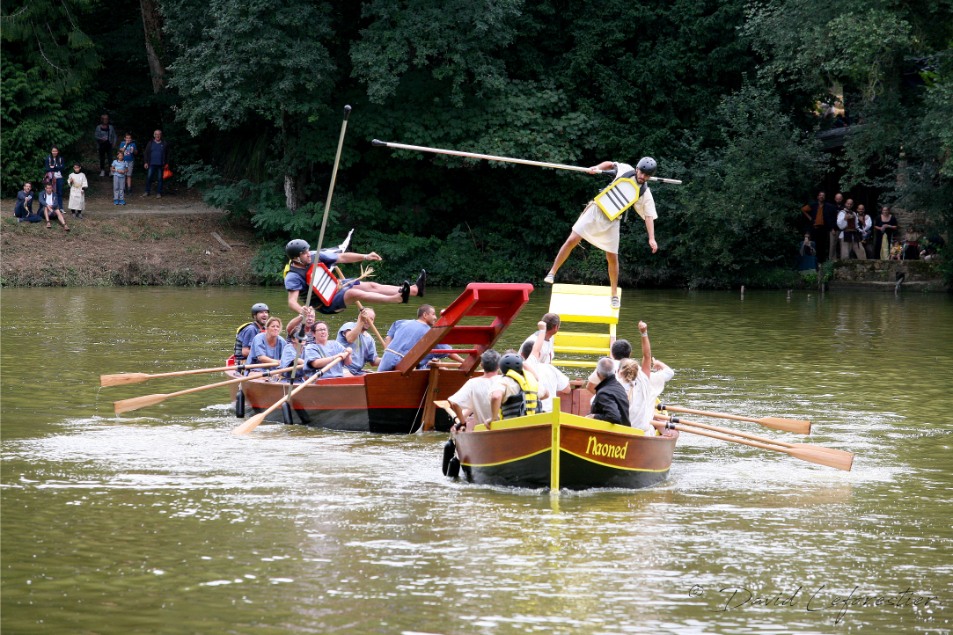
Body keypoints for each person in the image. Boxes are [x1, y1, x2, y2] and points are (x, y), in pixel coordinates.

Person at [545, 157, 660, 308]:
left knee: (612, 257)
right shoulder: (626, 169)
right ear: (637, 169)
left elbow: (649, 216)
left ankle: (613, 295)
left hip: (613, 220)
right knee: (572, 239)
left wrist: (652, 238)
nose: (642, 177)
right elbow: (610, 164)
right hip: (597, 209)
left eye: (647, 175)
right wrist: (596, 166)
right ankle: (552, 272)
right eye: (642, 172)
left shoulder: (645, 192)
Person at [284, 239, 425, 317]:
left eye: (308, 250)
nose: (309, 254)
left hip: (336, 287)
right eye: (304, 253)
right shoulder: (294, 276)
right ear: (296, 258)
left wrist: (365, 256)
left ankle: (414, 290)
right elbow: (292, 302)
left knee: (370, 285)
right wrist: (301, 310)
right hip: (326, 305)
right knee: (353, 293)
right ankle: (397, 298)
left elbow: (342, 257)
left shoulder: (314, 256)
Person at [616, 321, 673, 435]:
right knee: (670, 430)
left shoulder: (613, 381)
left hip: (621, 431)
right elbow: (647, 356)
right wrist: (644, 333)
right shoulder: (645, 378)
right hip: (643, 432)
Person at [519, 323, 569, 413]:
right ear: (540, 354)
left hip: (532, 414)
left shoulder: (518, 371)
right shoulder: (549, 368)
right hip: (550, 412)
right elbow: (567, 389)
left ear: (522, 355)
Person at [448, 349, 502, 429]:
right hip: (504, 426)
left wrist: (463, 423)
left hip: (482, 430)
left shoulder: (472, 383)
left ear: (481, 365)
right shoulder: (505, 380)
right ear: (499, 365)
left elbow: (454, 403)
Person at [378, 304, 438, 372]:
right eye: (433, 314)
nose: (435, 317)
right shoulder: (429, 331)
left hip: (388, 357)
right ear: (425, 315)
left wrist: (387, 351)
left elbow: (388, 337)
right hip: (403, 362)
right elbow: (445, 350)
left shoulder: (401, 322)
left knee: (378, 380)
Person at [488, 352, 539, 422]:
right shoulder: (531, 382)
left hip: (512, 426)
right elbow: (546, 394)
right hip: (534, 423)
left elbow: (496, 396)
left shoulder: (503, 381)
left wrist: (493, 418)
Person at [336, 308, 381, 375]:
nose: (368, 321)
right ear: (360, 317)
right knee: (350, 377)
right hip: (341, 367)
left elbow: (373, 361)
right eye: (367, 318)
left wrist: (389, 358)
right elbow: (350, 339)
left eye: (371, 319)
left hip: (357, 371)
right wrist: (361, 321)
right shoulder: (349, 325)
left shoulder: (370, 339)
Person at [586, 356, 630, 425]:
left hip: (614, 434)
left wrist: (594, 416)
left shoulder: (604, 393)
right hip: (626, 431)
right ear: (615, 371)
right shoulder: (620, 388)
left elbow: (614, 417)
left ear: (597, 374)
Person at [803, 191, 837, 264]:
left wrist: (832, 227)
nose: (821, 197)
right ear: (818, 197)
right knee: (815, 244)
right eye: (820, 195)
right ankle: (814, 262)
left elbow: (832, 215)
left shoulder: (828, 206)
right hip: (815, 228)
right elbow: (803, 209)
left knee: (823, 245)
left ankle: (822, 262)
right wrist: (810, 218)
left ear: (824, 197)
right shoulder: (813, 205)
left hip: (824, 228)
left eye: (823, 195)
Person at [142, 129, 170, 198]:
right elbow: (146, 153)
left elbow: (168, 154)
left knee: (160, 179)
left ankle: (159, 193)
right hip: (151, 163)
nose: (157, 135)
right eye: (156, 134)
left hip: (161, 164)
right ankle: (147, 191)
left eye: (159, 134)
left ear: (161, 135)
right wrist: (145, 162)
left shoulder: (164, 143)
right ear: (154, 135)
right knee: (149, 178)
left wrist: (167, 163)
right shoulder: (150, 143)